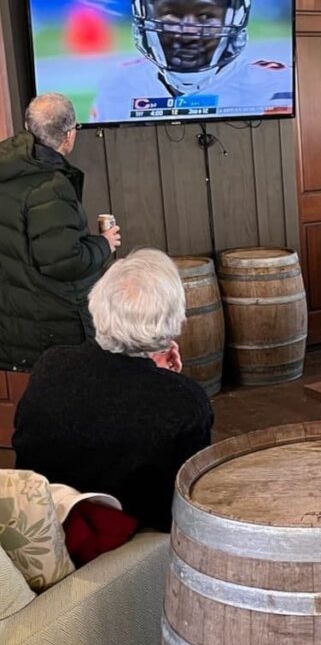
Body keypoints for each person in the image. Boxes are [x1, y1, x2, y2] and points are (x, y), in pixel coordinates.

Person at [13, 248, 213, 531]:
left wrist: (163, 382)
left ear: (98, 303)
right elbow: (183, 510)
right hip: (120, 551)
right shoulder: (184, 402)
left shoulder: (51, 363)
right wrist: (171, 386)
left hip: (34, 527)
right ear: (172, 321)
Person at [90, 0, 293, 122]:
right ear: (145, 9)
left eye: (205, 15)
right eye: (172, 13)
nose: (187, 33)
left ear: (237, 14)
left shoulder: (277, 88)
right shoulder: (118, 85)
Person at [0, 92, 121, 370]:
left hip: (16, 321)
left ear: (29, 127)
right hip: (50, 325)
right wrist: (105, 243)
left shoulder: (9, 169)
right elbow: (65, 262)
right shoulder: (50, 186)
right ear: (69, 135)